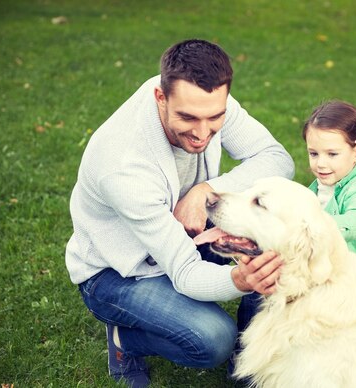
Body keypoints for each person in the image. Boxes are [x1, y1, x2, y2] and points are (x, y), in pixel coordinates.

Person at [65, 39, 294, 387]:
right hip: (119, 272)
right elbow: (185, 271)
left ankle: (248, 360)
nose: (203, 133)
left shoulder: (202, 97)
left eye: (215, 118)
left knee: (272, 238)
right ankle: (125, 341)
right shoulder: (123, 168)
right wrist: (240, 281)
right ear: (161, 97)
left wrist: (207, 190)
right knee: (212, 338)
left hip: (188, 234)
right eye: (188, 118)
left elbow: (277, 159)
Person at [302, 100, 356, 290]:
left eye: (332, 154)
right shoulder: (318, 186)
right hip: (330, 272)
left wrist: (314, 227)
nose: (321, 164)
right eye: (314, 154)